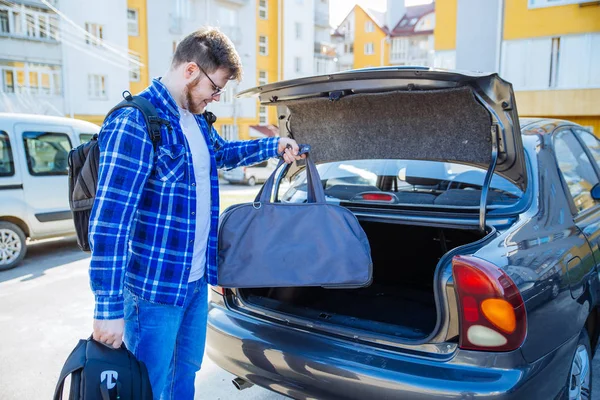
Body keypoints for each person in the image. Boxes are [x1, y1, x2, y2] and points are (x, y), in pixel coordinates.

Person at [89, 27, 303, 399]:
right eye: (215, 88)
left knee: (183, 377)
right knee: (149, 387)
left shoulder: (196, 122)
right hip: (152, 291)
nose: (216, 98)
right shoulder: (136, 121)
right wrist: (107, 307)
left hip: (194, 283)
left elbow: (222, 154)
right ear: (191, 71)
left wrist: (275, 144)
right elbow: (109, 223)